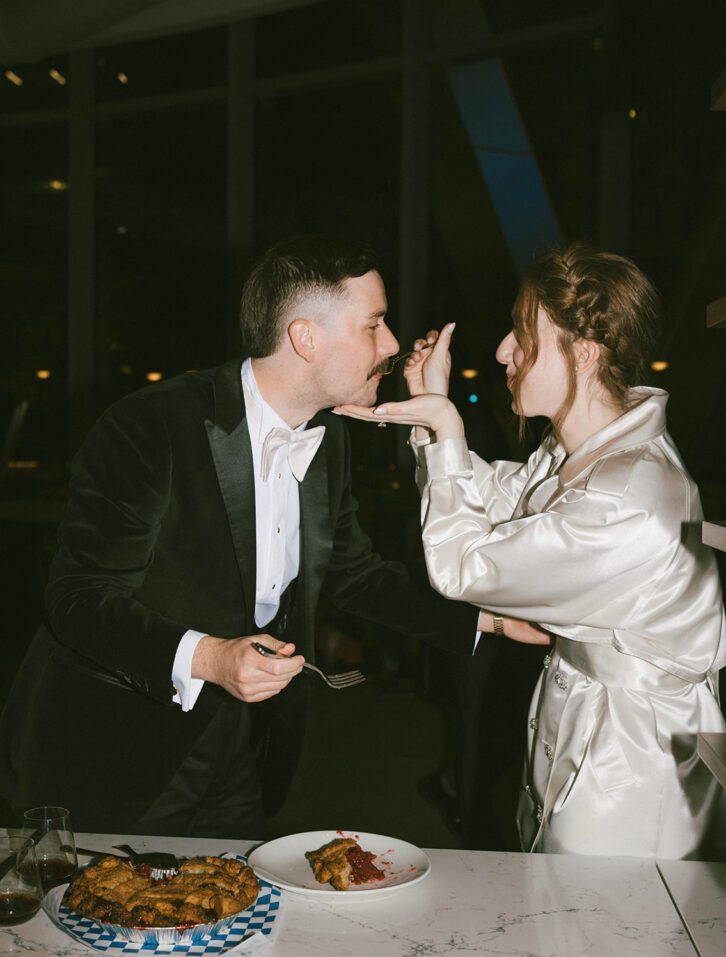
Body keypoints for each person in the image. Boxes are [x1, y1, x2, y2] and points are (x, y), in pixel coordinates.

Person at [0, 235, 535, 840]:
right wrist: (210, 658)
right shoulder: (152, 425)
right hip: (121, 747)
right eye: (374, 324)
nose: (391, 344)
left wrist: (488, 618)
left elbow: (354, 575)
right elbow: (78, 598)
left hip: (241, 746)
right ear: (305, 339)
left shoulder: (330, 438)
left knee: (237, 894)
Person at [336, 241, 726, 859]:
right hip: (586, 722)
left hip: (633, 766)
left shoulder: (627, 498)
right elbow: (492, 497)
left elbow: (465, 566)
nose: (502, 352)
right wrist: (431, 417)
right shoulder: (583, 452)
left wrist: (446, 427)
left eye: (521, 334)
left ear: (584, 352)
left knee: (599, 914)